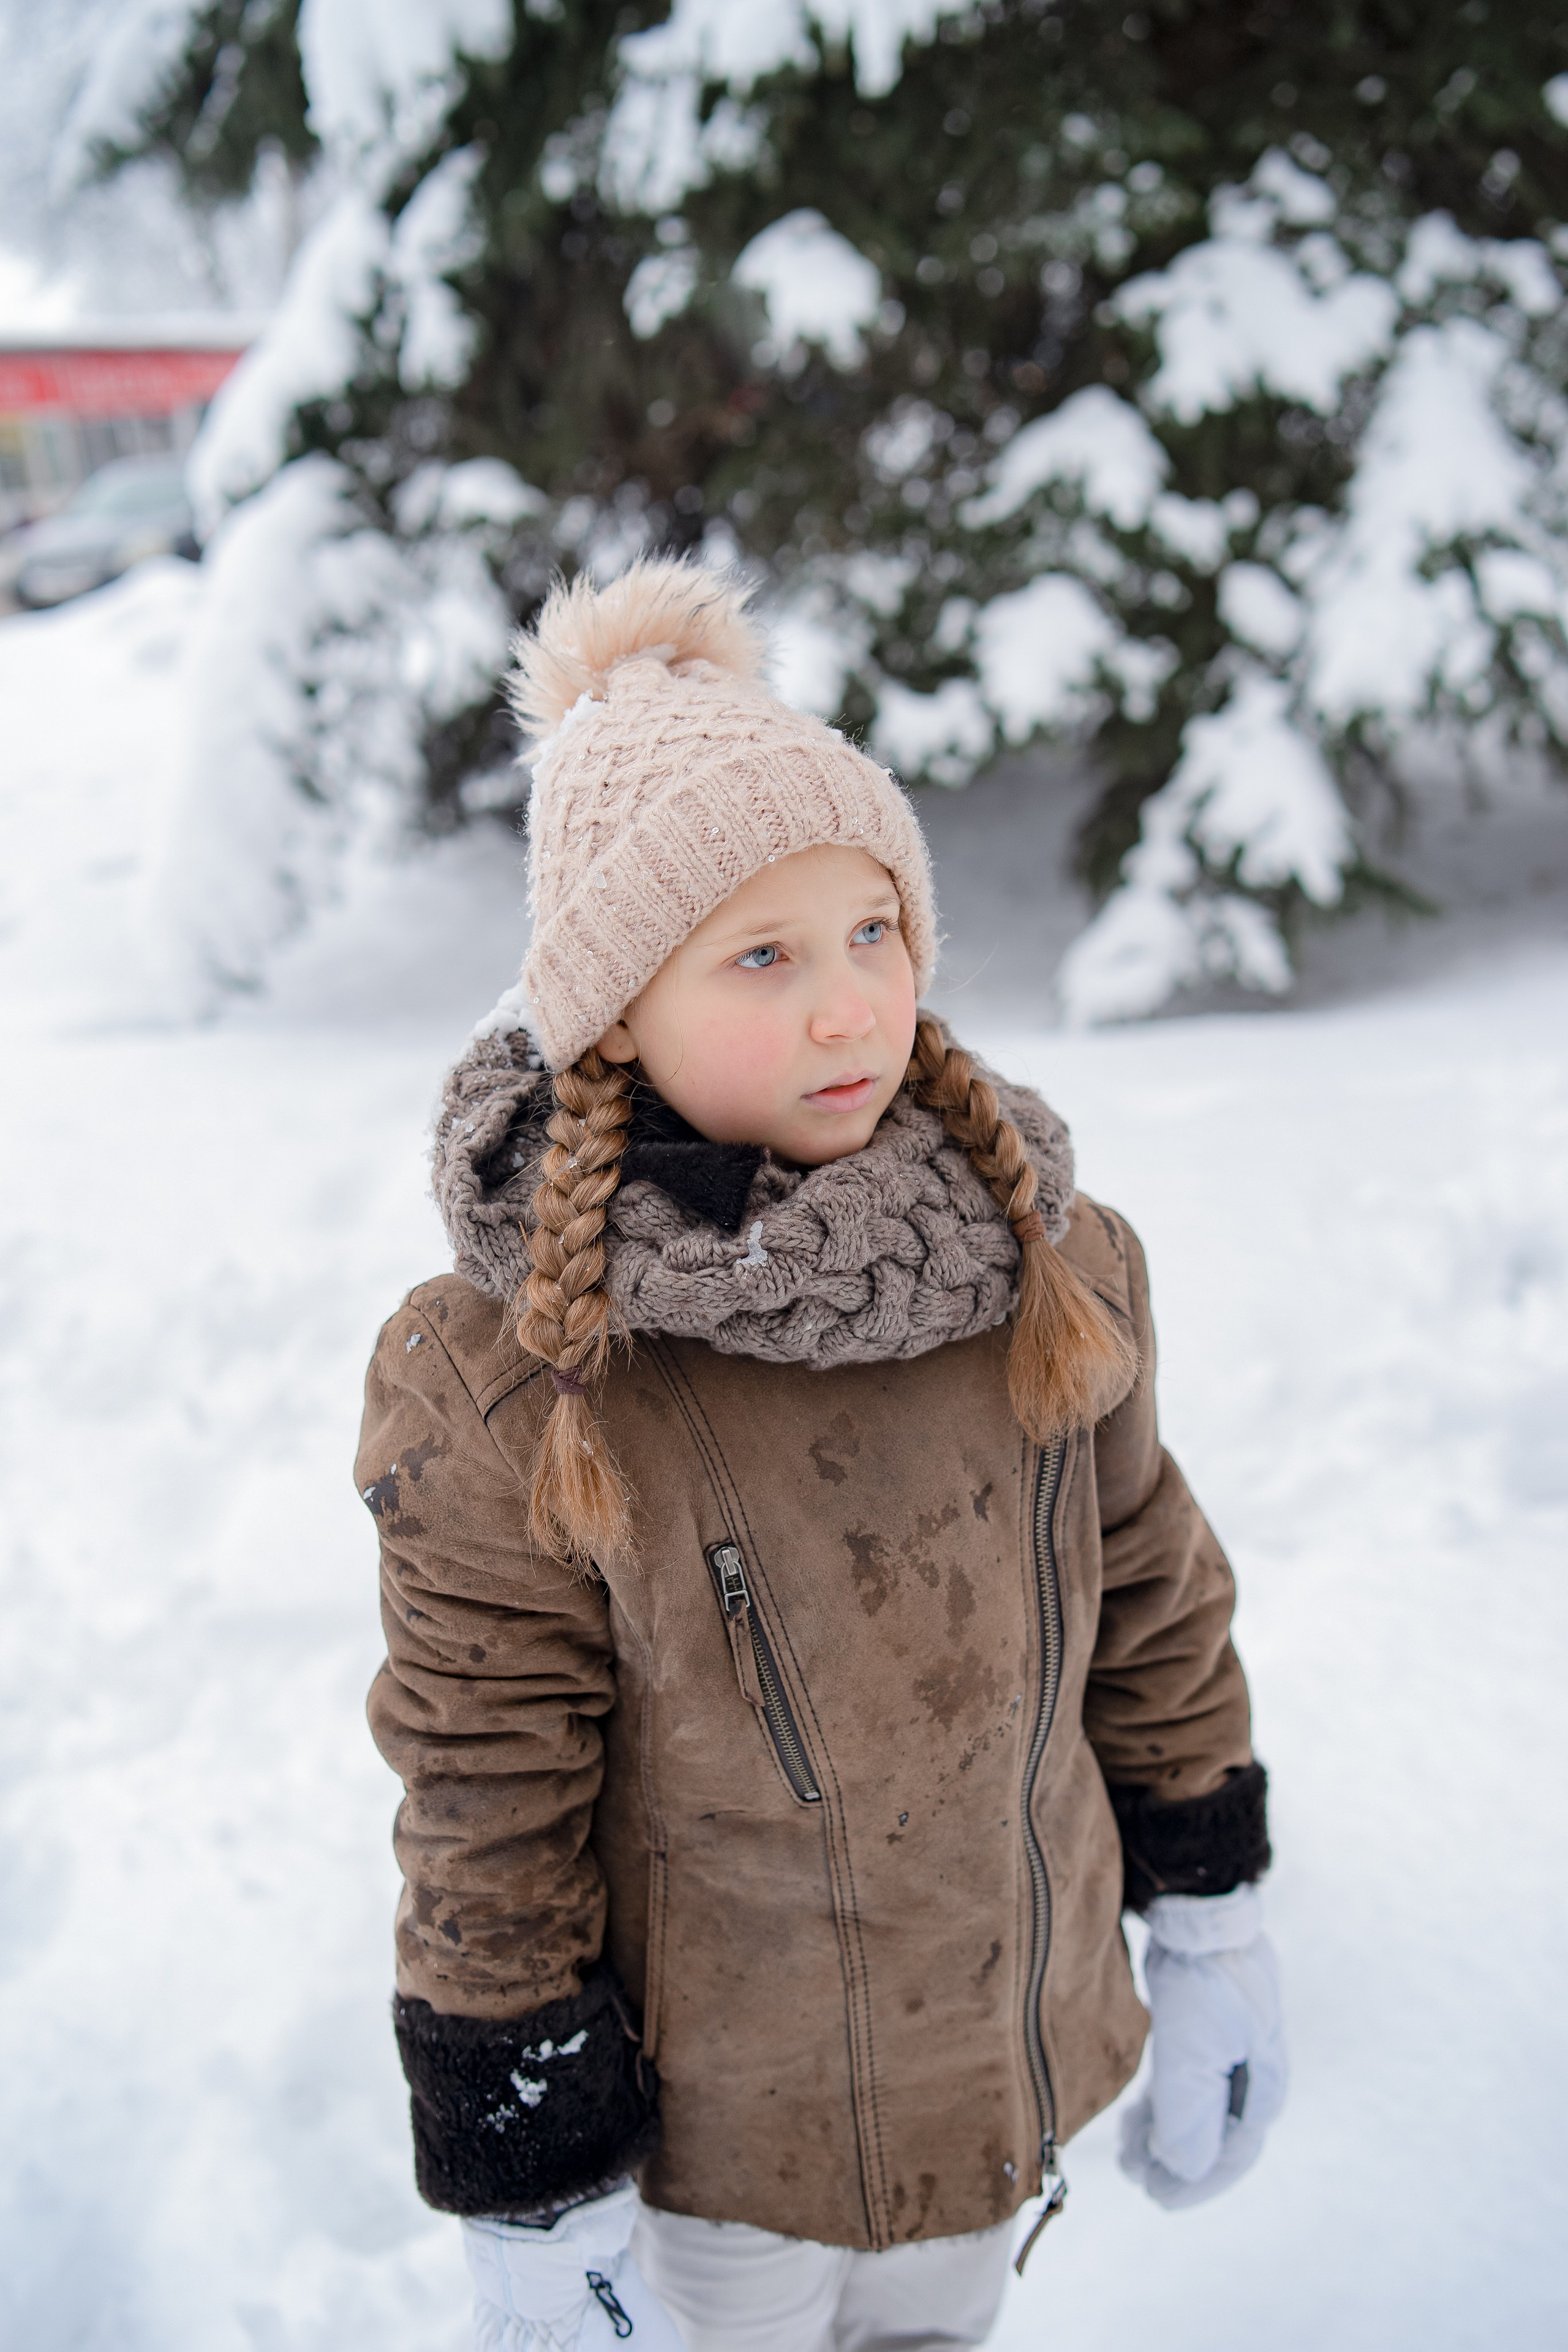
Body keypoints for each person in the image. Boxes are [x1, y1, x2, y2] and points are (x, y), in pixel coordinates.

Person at [356, 559, 1286, 2352]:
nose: (851, 1006)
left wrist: (1217, 1918)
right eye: (763, 958)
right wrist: (533, 2171)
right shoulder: (516, 1378)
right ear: (617, 1010)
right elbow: (488, 1791)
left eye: (874, 931)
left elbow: (1151, 1587)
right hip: (717, 2164)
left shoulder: (1052, 1273)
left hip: (997, 2077)